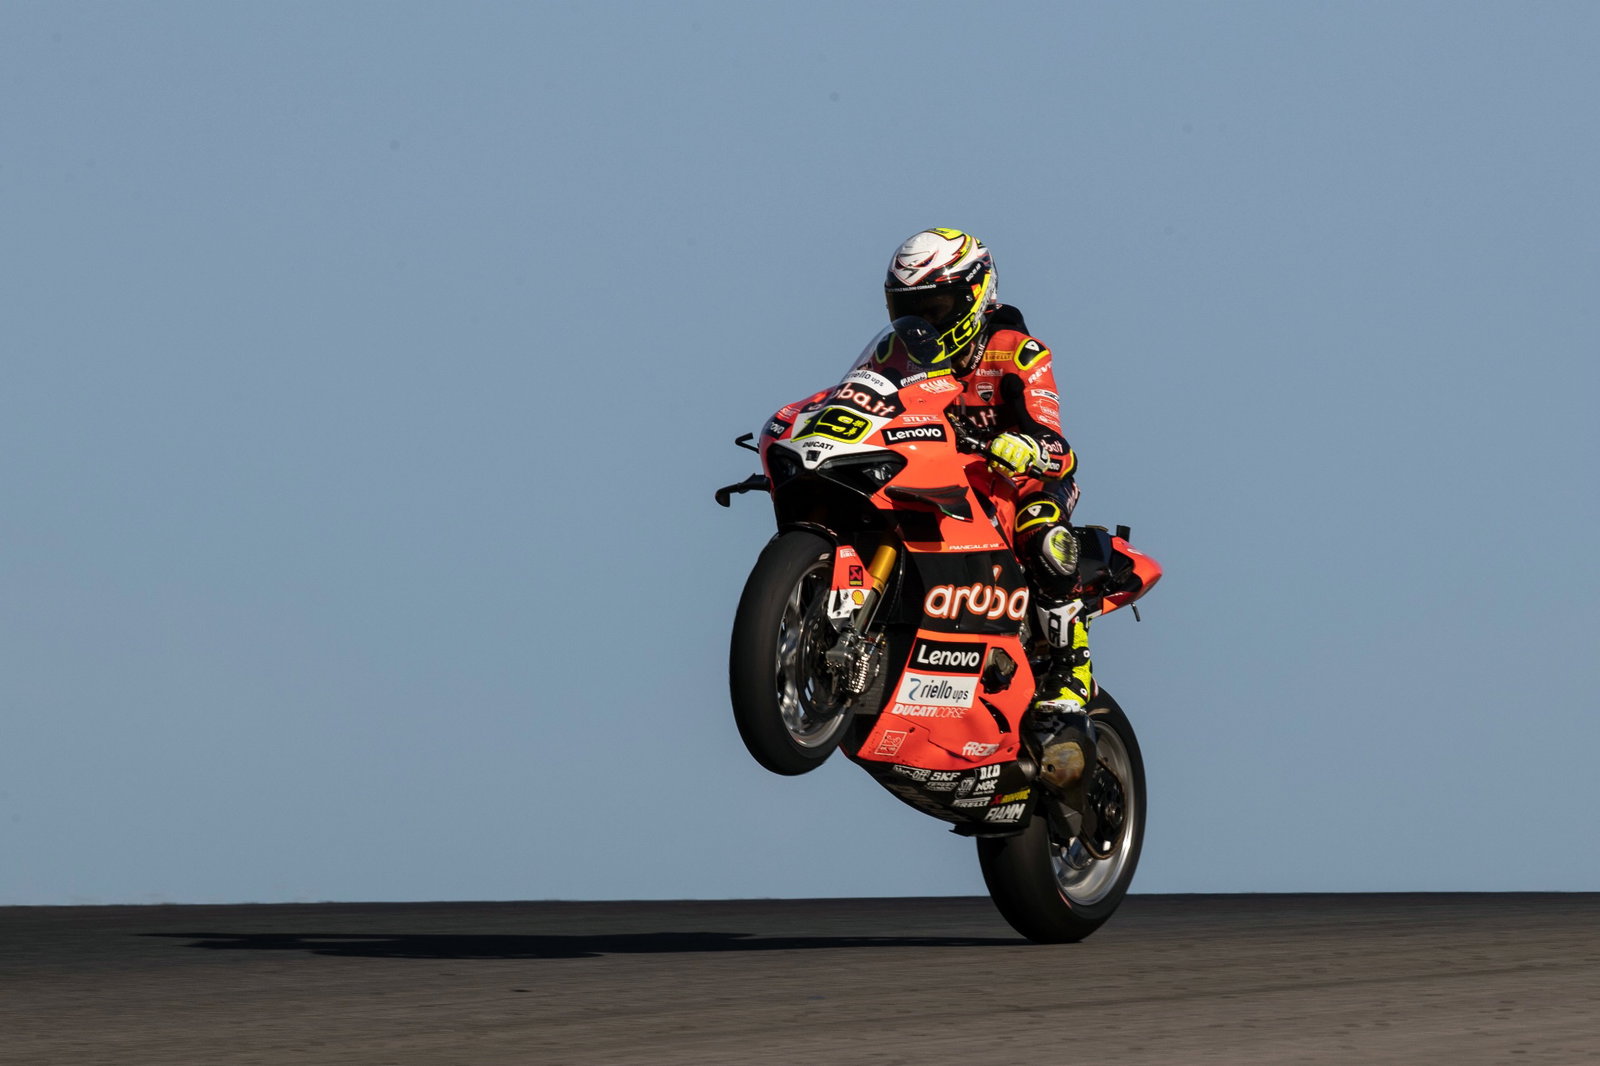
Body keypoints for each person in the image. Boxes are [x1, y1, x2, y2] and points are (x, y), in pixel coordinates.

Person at [874, 228, 1161, 794]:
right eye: (912, 311)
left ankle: (1068, 676)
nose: (926, 324)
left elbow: (1059, 445)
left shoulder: (1017, 352)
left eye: (936, 307)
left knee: (1043, 536)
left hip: (1025, 482)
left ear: (976, 293)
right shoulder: (899, 354)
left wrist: (1026, 445)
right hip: (941, 480)